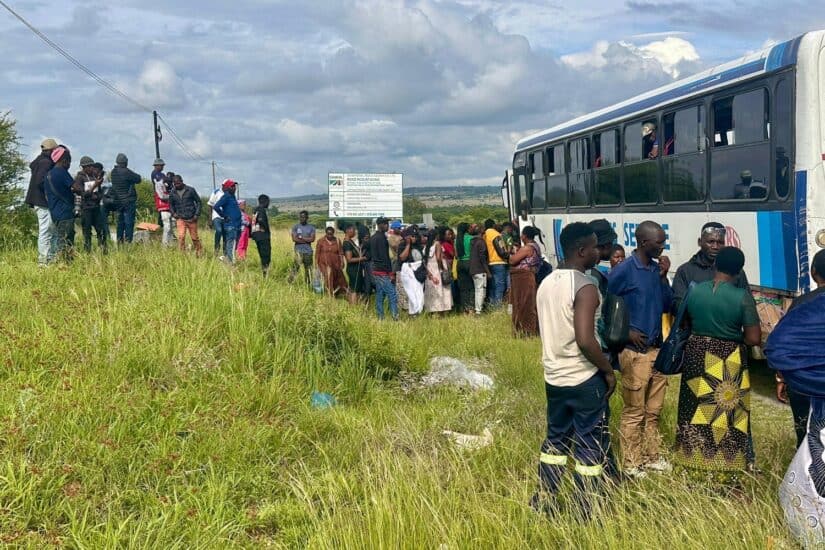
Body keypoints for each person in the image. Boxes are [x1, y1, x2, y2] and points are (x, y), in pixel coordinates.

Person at [532, 222, 616, 515]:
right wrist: (607, 370)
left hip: (554, 378)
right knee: (589, 446)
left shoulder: (546, 283)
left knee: (555, 442)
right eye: (594, 247)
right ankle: (586, 508)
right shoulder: (586, 287)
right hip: (583, 378)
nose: (598, 252)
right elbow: (585, 340)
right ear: (581, 251)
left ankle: (545, 499)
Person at [673, 247, 760, 478]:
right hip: (728, 357)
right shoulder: (742, 297)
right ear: (739, 270)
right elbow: (753, 338)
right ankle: (725, 465)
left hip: (696, 353)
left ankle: (690, 461)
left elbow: (684, 322)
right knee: (726, 410)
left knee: (693, 407)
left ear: (715, 265)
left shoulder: (695, 291)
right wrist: (732, 337)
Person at [608, 221, 673, 477]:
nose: (663, 246)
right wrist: (626, 332)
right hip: (634, 353)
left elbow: (667, 305)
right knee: (634, 412)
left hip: (656, 350)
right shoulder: (624, 270)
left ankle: (651, 457)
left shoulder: (655, 270)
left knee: (653, 411)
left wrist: (663, 277)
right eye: (659, 242)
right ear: (644, 242)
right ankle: (631, 463)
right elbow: (607, 307)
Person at [775, 249, 825, 447]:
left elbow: (784, 344)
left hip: (804, 381)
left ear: (813, 272)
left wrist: (781, 377)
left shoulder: (801, 303)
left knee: (805, 433)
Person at [672, 222, 749, 311]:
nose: (715, 247)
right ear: (700, 242)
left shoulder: (735, 270)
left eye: (720, 242)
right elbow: (677, 306)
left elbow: (747, 304)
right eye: (711, 242)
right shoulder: (685, 271)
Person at [25, 138, 58, 266]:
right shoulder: (46, 162)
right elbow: (41, 181)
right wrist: (50, 195)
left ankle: (48, 259)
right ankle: (44, 261)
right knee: (46, 230)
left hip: (38, 201)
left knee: (47, 230)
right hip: (43, 201)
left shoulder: (39, 161)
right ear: (52, 150)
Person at [508, 226, 543, 336]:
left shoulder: (527, 248)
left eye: (522, 234)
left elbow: (512, 260)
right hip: (528, 277)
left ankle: (525, 330)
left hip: (523, 279)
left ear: (525, 236)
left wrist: (510, 252)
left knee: (523, 304)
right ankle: (530, 329)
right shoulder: (535, 246)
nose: (521, 237)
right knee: (528, 303)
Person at [43, 146, 76, 263]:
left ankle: (56, 260)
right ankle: (66, 263)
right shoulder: (62, 172)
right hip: (65, 212)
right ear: (64, 160)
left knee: (58, 237)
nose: (69, 164)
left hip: (54, 212)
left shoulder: (48, 175)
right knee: (67, 240)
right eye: (69, 161)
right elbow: (76, 187)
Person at [72, 156, 107, 253]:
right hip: (86, 208)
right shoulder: (79, 178)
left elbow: (100, 192)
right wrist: (94, 186)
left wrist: (98, 195)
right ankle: (87, 252)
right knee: (87, 232)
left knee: (101, 230)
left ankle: (104, 251)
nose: (92, 168)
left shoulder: (95, 177)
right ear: (84, 167)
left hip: (96, 207)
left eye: (92, 166)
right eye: (90, 166)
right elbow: (82, 194)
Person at [367, 217, 398, 320]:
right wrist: (390, 273)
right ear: (380, 225)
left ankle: (380, 317)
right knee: (392, 293)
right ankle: (395, 317)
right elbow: (384, 257)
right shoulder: (381, 238)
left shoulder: (373, 237)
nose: (387, 226)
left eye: (387, 223)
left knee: (380, 294)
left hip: (375, 269)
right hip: (382, 270)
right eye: (385, 224)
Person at [109, 153, 142, 244]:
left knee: (120, 223)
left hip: (118, 201)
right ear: (125, 162)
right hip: (128, 201)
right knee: (129, 223)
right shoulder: (126, 172)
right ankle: (128, 243)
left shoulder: (113, 172)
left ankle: (119, 242)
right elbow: (138, 179)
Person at [168, 174, 203, 256]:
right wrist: (173, 213)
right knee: (181, 237)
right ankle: (182, 254)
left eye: (178, 183)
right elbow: (170, 205)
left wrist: (196, 215)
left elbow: (198, 202)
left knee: (194, 238)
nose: (177, 185)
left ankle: (199, 253)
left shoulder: (190, 190)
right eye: (175, 184)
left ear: (182, 181)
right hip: (180, 218)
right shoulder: (172, 192)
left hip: (192, 218)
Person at [424, 227, 453, 315]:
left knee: (432, 289)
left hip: (430, 268)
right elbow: (438, 258)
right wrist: (442, 268)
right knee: (442, 289)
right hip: (437, 268)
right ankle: (441, 310)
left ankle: (432, 310)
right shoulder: (437, 244)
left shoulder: (426, 246)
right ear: (436, 236)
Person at [212, 179, 242, 263]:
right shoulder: (226, 196)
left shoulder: (232, 196)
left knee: (234, 244)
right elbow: (216, 206)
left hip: (236, 225)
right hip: (231, 225)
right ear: (227, 188)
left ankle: (228, 259)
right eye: (232, 186)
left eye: (234, 186)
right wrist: (224, 216)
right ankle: (231, 263)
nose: (234, 188)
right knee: (231, 244)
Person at [398, 226, 425, 316]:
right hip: (408, 270)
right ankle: (414, 312)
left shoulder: (418, 245)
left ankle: (417, 311)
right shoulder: (402, 245)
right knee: (412, 293)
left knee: (419, 293)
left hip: (418, 271)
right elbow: (402, 258)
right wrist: (408, 245)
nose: (414, 238)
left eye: (415, 236)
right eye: (412, 236)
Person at [316, 226, 348, 297]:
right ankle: (330, 294)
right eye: (328, 234)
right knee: (328, 277)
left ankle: (339, 292)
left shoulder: (337, 241)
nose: (329, 236)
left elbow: (340, 253)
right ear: (326, 233)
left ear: (333, 233)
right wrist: (316, 264)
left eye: (331, 234)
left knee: (339, 278)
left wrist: (342, 261)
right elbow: (317, 253)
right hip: (324, 264)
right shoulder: (321, 241)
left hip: (335, 263)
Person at [483, 219, 508, 307]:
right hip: (498, 262)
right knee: (500, 286)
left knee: (492, 286)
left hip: (489, 263)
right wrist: (507, 256)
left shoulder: (484, 235)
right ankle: (498, 307)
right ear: (493, 225)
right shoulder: (496, 234)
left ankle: (491, 305)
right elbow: (501, 250)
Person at [290, 211, 316, 284]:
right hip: (298, 251)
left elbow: (312, 239)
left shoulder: (311, 228)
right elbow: (294, 239)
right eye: (301, 217)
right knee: (295, 268)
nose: (302, 218)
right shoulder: (295, 227)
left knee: (308, 269)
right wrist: (307, 240)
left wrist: (301, 238)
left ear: (307, 218)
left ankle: (308, 285)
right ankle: (290, 283)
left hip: (308, 252)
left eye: (304, 217)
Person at [469, 224, 489, 315]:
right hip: (480, 269)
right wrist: (488, 271)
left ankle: (478, 309)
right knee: (481, 290)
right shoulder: (481, 242)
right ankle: (479, 311)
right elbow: (483, 258)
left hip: (473, 269)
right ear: (481, 231)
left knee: (478, 290)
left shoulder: (472, 241)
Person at [152, 159, 173, 246]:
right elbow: (161, 194)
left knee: (170, 226)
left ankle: (170, 243)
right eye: (161, 165)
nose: (163, 167)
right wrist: (171, 196)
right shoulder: (156, 175)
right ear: (157, 166)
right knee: (167, 226)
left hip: (166, 203)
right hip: (162, 203)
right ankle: (164, 244)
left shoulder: (161, 175)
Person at [250, 194, 271, 276]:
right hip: (263, 236)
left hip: (257, 236)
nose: (268, 204)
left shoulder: (256, 209)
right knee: (266, 256)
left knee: (262, 255)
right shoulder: (261, 210)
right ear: (265, 201)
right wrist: (265, 228)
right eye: (268, 202)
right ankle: (265, 274)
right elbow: (261, 220)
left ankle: (264, 273)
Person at [343, 225, 366, 297]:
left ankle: (356, 302)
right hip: (353, 270)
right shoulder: (347, 243)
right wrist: (363, 258)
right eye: (353, 230)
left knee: (356, 288)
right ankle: (353, 303)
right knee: (354, 290)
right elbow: (349, 259)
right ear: (348, 230)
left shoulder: (350, 241)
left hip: (356, 269)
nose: (355, 232)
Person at [456, 223, 474, 314]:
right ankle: (471, 308)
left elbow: (456, 255)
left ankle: (464, 309)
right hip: (469, 262)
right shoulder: (471, 238)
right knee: (471, 287)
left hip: (460, 263)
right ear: (467, 229)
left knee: (463, 289)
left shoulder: (457, 240)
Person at [207, 185, 226, 256]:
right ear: (223, 186)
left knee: (225, 235)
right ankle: (217, 248)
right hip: (216, 216)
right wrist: (210, 219)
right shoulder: (216, 192)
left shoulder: (230, 193)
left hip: (226, 217)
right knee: (219, 230)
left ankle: (225, 253)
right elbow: (210, 205)